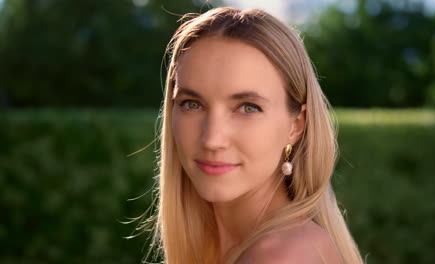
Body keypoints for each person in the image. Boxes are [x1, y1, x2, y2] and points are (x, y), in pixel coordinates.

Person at [138, 6, 363, 264]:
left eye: (248, 108)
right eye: (192, 104)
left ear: (296, 125)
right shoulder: (242, 248)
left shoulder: (282, 256)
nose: (212, 139)